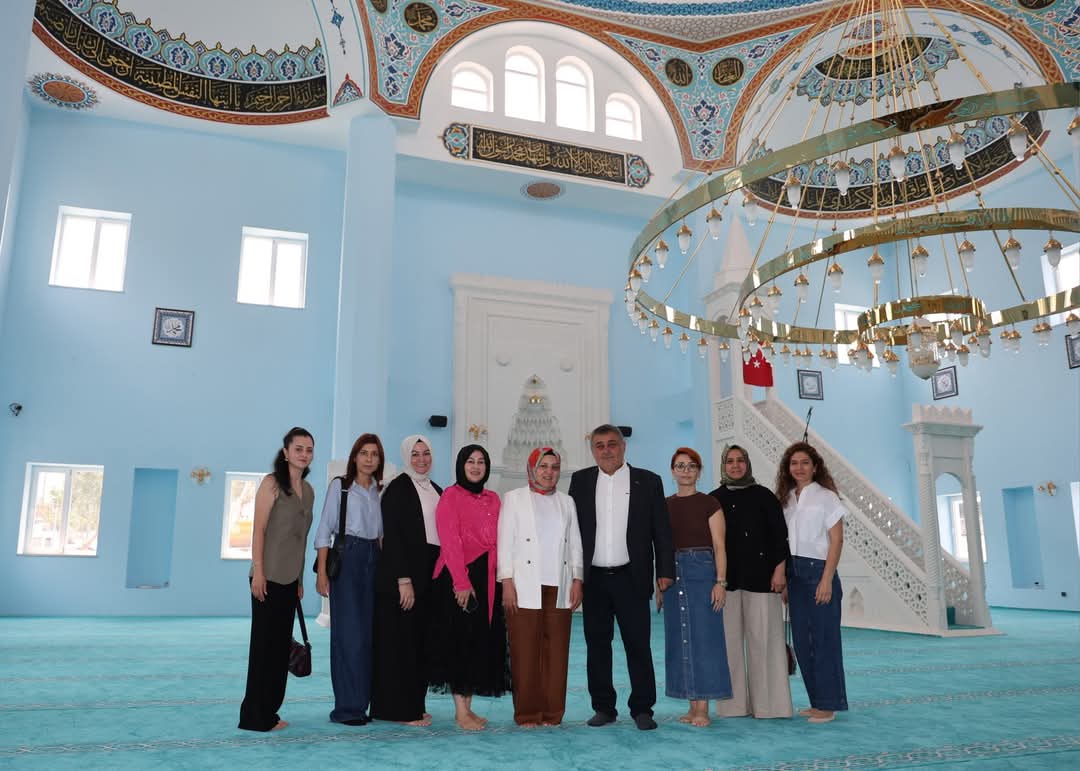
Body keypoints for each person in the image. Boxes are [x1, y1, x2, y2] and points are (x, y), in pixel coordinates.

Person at [568, 424, 675, 731]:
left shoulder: (648, 481)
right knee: (597, 646)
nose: (606, 450)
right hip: (595, 580)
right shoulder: (581, 481)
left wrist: (665, 571)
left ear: (623, 446)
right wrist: (575, 576)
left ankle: (642, 708)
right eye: (599, 445)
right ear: (592, 450)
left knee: (638, 645)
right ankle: (604, 707)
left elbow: (661, 531)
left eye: (612, 444)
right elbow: (572, 533)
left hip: (632, 577)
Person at [498, 447, 584, 727]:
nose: (549, 472)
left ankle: (552, 713)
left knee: (556, 654)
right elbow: (505, 542)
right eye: (543, 466)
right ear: (532, 469)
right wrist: (506, 581)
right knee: (524, 652)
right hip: (524, 585)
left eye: (554, 467)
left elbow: (575, 544)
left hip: (559, 586)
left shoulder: (567, 502)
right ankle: (527, 714)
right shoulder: (514, 499)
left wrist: (577, 579)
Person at [239, 427, 316, 732]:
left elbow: (302, 539)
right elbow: (258, 530)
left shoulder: (308, 491)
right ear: (285, 452)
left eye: (309, 449)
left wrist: (300, 580)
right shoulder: (271, 483)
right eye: (298, 449)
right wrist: (258, 570)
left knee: (280, 649)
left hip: (290, 579)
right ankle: (253, 715)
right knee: (263, 648)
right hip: (267, 577)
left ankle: (270, 711)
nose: (304, 454)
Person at [427, 444, 509, 730]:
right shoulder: (450, 496)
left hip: (487, 577)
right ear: (461, 465)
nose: (475, 467)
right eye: (470, 461)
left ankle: (468, 708)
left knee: (477, 642)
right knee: (459, 643)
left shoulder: (493, 499)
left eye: (481, 462)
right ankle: (460, 712)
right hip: (459, 576)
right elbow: (449, 540)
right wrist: (461, 583)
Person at [709, 444, 793, 720]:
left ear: (747, 464)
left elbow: (780, 538)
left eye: (740, 460)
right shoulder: (714, 500)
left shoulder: (764, 496)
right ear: (724, 466)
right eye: (730, 461)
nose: (735, 466)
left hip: (763, 581)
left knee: (765, 643)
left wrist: (780, 572)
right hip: (726, 584)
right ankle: (732, 706)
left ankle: (769, 707)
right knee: (729, 645)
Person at [371, 435, 443, 726]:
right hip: (403, 577)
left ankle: (415, 704)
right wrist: (404, 579)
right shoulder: (397, 488)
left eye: (426, 453)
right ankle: (398, 710)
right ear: (405, 457)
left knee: (421, 643)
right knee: (400, 644)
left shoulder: (436, 489)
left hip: (429, 575)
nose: (421, 459)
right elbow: (392, 537)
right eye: (415, 454)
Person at [314, 433, 384, 726]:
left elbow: (381, 535)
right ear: (354, 457)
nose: (369, 459)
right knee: (348, 636)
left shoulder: (378, 491)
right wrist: (321, 572)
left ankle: (363, 704)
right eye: (364, 453)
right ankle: (346, 708)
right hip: (347, 559)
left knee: (368, 636)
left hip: (374, 559)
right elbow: (324, 530)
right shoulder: (340, 487)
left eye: (374, 454)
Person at [775, 441, 848, 724]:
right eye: (794, 463)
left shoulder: (827, 497)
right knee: (803, 643)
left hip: (819, 571)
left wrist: (826, 579)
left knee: (824, 640)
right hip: (794, 574)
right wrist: (785, 580)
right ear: (788, 468)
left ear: (815, 467)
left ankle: (829, 704)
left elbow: (836, 540)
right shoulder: (786, 499)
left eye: (805, 463)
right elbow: (782, 542)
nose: (799, 468)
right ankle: (816, 701)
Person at [660, 447, 732, 727]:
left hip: (702, 571)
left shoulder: (710, 503)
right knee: (680, 639)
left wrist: (720, 582)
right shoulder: (664, 505)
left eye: (691, 466)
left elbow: (720, 546)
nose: (686, 471)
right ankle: (692, 705)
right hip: (673, 574)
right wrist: (659, 582)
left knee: (704, 640)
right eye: (680, 466)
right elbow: (660, 548)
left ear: (699, 472)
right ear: (672, 471)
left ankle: (703, 708)